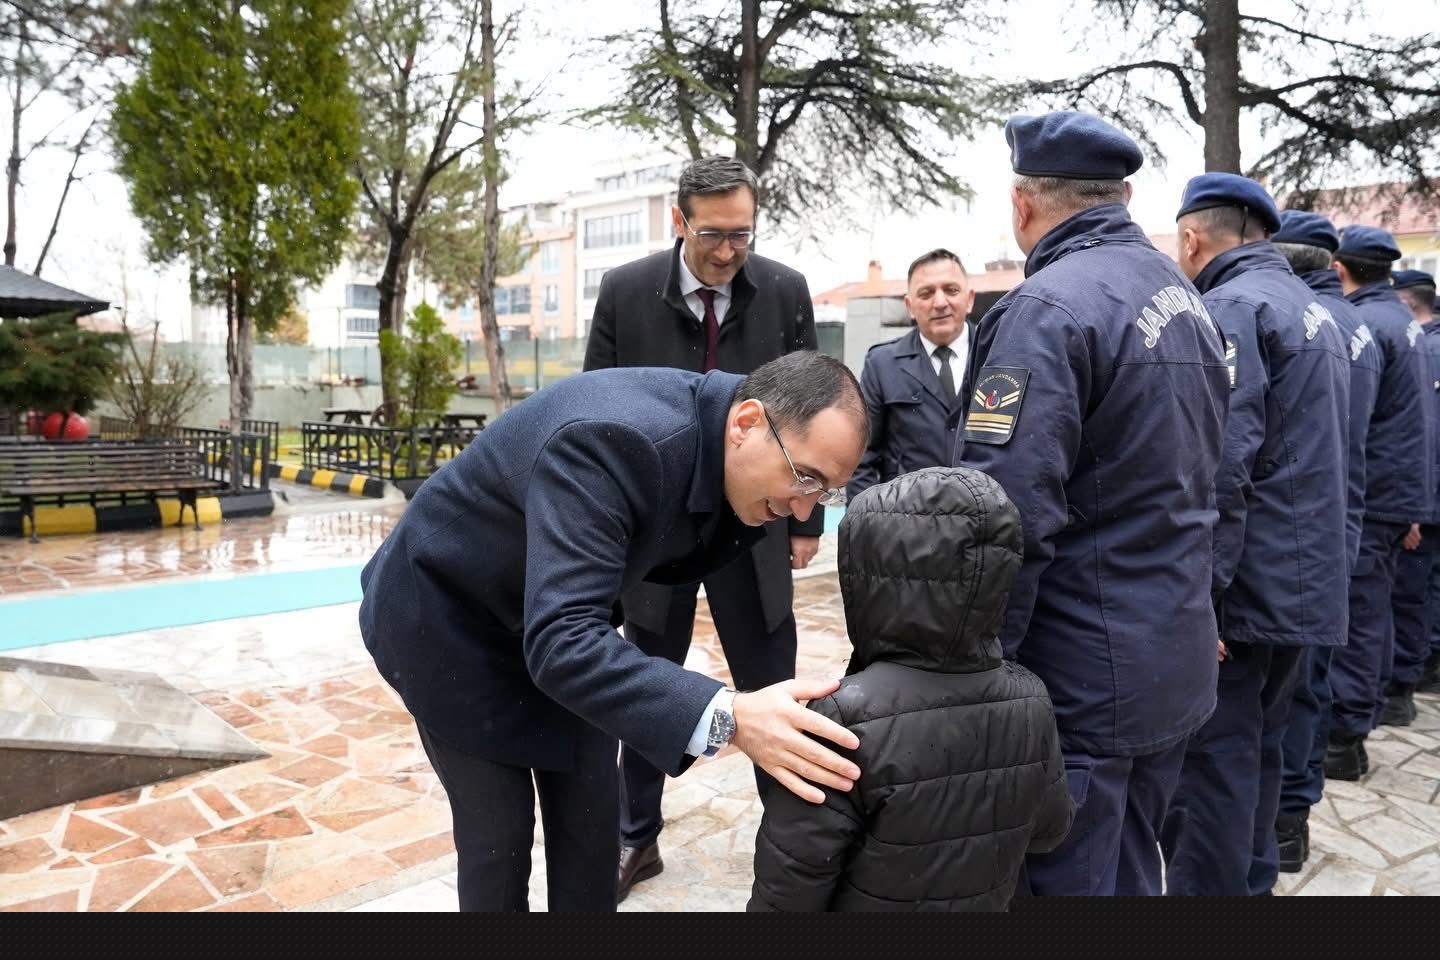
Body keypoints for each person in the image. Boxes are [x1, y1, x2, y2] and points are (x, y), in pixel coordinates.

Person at [358, 351, 868, 911]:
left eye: (827, 492)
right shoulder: (614, 442)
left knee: (591, 821)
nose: (803, 509)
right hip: (448, 620)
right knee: (497, 836)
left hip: (560, 614)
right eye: (805, 478)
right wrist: (731, 717)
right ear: (746, 423)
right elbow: (563, 644)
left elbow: (571, 628)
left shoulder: (722, 450)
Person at [952, 111, 1229, 896]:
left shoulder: (1049, 308)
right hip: (1166, 657)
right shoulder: (1183, 297)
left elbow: (1003, 516)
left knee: (1063, 883)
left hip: (1080, 682)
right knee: (1134, 870)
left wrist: (974, 671)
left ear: (1022, 204)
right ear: (1123, 195)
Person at [581, 156, 823, 901]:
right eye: (713, 234)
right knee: (647, 680)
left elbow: (813, 408)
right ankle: (636, 838)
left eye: (742, 235)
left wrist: (806, 516)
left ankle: (796, 848)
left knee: (772, 686)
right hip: (656, 530)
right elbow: (596, 407)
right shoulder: (626, 292)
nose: (728, 252)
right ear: (679, 221)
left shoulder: (782, 290)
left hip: (757, 523)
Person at [747, 467, 1073, 912]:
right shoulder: (1030, 697)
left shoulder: (841, 720)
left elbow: (788, 890)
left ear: (864, 578)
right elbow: (1050, 830)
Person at [1158, 176, 1349, 897]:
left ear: (1191, 238)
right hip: (1300, 586)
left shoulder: (1231, 309)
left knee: (1211, 776)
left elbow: (1221, 465)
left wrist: (1201, 594)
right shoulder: (1313, 308)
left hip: (1247, 593)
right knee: (1262, 759)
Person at [1270, 210, 1383, 875]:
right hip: (1336, 532)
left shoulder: (1286, 323)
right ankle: (1294, 822)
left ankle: (1280, 826)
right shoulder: (1359, 329)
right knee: (1308, 689)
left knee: (1280, 700)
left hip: (1290, 544)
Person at [1325, 226, 1432, 781]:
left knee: (1360, 619)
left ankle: (1345, 735)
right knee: (1376, 612)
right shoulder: (1403, 322)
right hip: (1397, 492)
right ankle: (1362, 716)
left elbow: (1355, 425)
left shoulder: (1365, 325)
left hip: (1374, 497)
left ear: (1340, 270)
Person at [846, 249, 975, 501]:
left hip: (985, 523)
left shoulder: (997, 356)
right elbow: (862, 457)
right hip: (908, 525)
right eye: (926, 293)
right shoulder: (882, 364)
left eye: (951, 290)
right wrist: (865, 528)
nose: (939, 303)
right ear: (910, 306)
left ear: (969, 299)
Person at [1383, 268, 1440, 725]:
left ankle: (1403, 684)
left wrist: (1415, 509)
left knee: (1409, 596)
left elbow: (1422, 435)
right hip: (1422, 493)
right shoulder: (1425, 346)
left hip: (1419, 497)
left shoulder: (1426, 349)